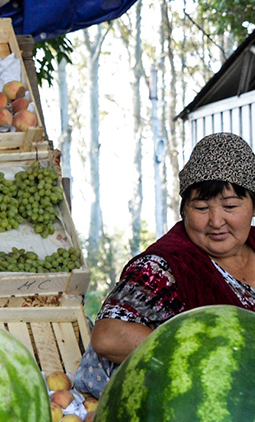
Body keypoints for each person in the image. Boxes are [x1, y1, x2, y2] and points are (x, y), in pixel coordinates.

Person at [74, 132, 255, 398]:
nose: (216, 221)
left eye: (230, 206)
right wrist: (205, 353)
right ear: (184, 211)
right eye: (202, 208)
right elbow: (107, 337)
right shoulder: (162, 267)